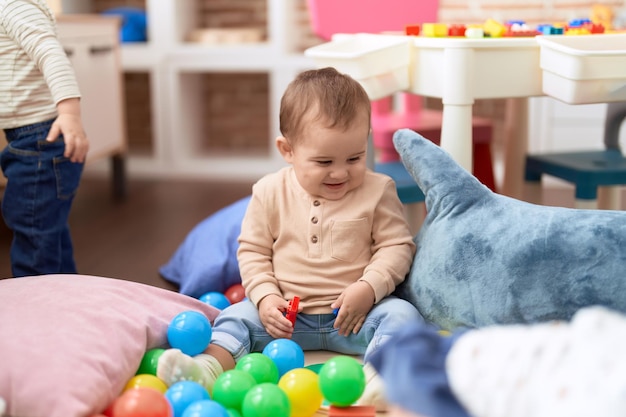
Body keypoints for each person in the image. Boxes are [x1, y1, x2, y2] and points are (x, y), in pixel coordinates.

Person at [157, 67, 423, 410]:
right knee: (235, 317)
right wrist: (266, 299)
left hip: (356, 317)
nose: (340, 172)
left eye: (354, 158)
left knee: (402, 315)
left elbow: (397, 246)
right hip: (284, 321)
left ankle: (382, 378)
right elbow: (253, 251)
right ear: (288, 150)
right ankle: (206, 368)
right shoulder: (269, 191)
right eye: (324, 161)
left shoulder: (378, 190)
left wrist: (369, 288)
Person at [0, 0, 89, 277]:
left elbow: (50, 53)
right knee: (48, 232)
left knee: (34, 236)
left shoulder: (13, 5)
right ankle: (64, 300)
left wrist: (70, 113)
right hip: (31, 139)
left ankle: (38, 311)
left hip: (40, 140)